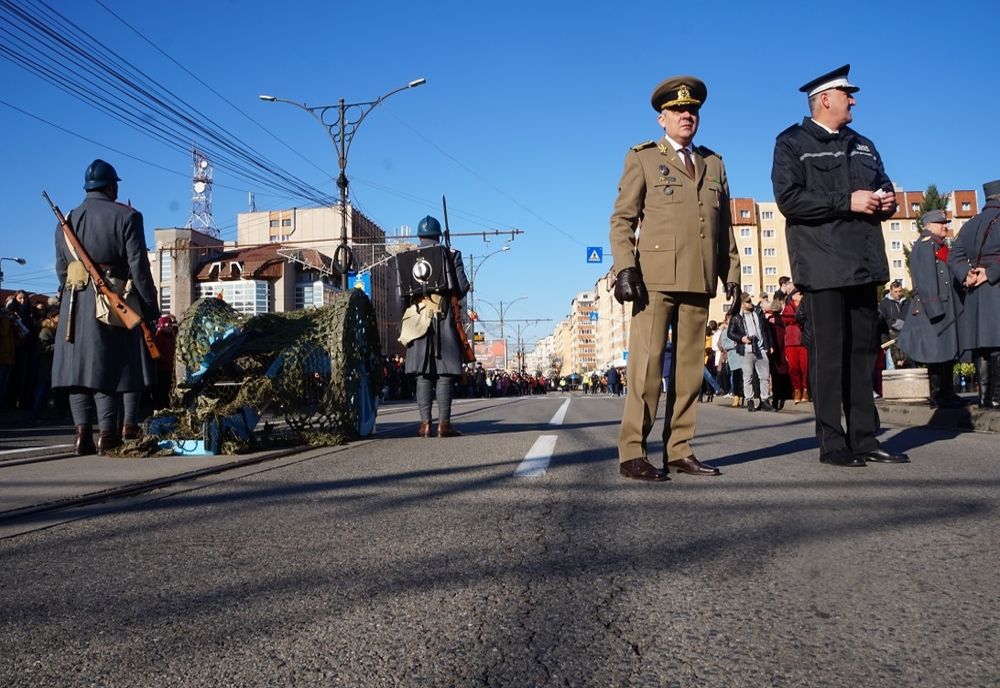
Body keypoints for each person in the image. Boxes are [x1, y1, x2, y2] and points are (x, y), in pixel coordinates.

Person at [771, 65, 908, 467]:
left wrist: (886, 201)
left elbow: (883, 184)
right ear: (824, 99)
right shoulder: (792, 142)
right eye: (847, 93)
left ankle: (865, 439)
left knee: (863, 354)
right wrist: (846, 201)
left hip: (863, 264)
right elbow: (789, 199)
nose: (854, 99)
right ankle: (832, 443)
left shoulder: (863, 144)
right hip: (823, 265)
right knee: (830, 356)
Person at [609, 75, 740, 482]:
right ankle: (633, 452)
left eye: (693, 110)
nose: (688, 115)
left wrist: (731, 274)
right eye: (679, 110)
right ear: (661, 119)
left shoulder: (714, 163)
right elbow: (622, 220)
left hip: (699, 281)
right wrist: (626, 267)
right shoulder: (644, 158)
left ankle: (679, 450)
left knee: (687, 373)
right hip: (655, 282)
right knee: (646, 371)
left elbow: (724, 230)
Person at [52, 159, 159, 455]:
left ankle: (82, 434)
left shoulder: (67, 221)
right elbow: (139, 267)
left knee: (77, 372)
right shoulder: (127, 216)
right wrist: (149, 307)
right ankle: (108, 435)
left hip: (74, 303)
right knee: (111, 368)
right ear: (112, 187)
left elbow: (62, 271)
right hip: (113, 300)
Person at [397, 215, 471, 437]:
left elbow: (400, 296)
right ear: (438, 235)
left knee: (423, 375)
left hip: (417, 320)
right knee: (444, 374)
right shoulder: (451, 254)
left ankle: (424, 424)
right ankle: (444, 425)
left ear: (419, 236)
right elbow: (461, 287)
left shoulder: (405, 258)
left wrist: (408, 319)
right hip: (443, 320)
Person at [895, 210, 966, 408]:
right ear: (928, 225)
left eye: (946, 222)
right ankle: (937, 394)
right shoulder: (925, 246)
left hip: (946, 307)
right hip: (933, 308)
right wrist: (935, 308)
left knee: (948, 350)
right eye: (941, 222)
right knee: (935, 352)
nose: (946, 225)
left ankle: (948, 392)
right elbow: (926, 280)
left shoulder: (939, 246)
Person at [948, 179, 1000, 409]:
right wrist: (990, 273)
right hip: (995, 288)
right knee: (997, 344)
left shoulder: (970, 224)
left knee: (981, 345)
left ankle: (984, 398)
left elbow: (954, 257)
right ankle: (998, 398)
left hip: (975, 293)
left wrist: (966, 275)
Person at [727, 292, 775, 412]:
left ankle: (765, 400)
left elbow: (766, 329)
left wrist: (770, 345)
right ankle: (749, 400)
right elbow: (730, 333)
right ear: (742, 304)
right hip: (746, 350)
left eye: (750, 301)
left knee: (764, 376)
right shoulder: (737, 317)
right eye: (747, 302)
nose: (750, 303)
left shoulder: (758, 312)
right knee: (747, 376)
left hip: (760, 348)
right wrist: (741, 338)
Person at [781, 290, 809, 403]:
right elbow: (786, 318)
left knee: (805, 367)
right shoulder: (789, 306)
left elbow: (804, 319)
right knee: (793, 368)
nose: (802, 295)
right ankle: (797, 389)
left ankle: (805, 390)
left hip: (803, 342)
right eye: (800, 294)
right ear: (794, 296)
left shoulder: (805, 306)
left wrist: (796, 320)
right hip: (791, 343)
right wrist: (798, 319)